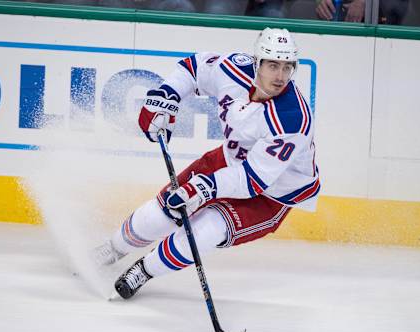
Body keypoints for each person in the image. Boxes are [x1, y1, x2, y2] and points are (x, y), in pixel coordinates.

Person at [94, 27, 320, 299]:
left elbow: (252, 181)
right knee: (159, 214)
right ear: (257, 62)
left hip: (271, 194)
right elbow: (193, 68)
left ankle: (145, 269)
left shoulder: (292, 118)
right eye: (273, 65)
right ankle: (112, 249)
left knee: (206, 230)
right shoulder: (234, 70)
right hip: (227, 160)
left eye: (287, 67)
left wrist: (202, 188)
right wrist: (167, 95)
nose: (280, 76)